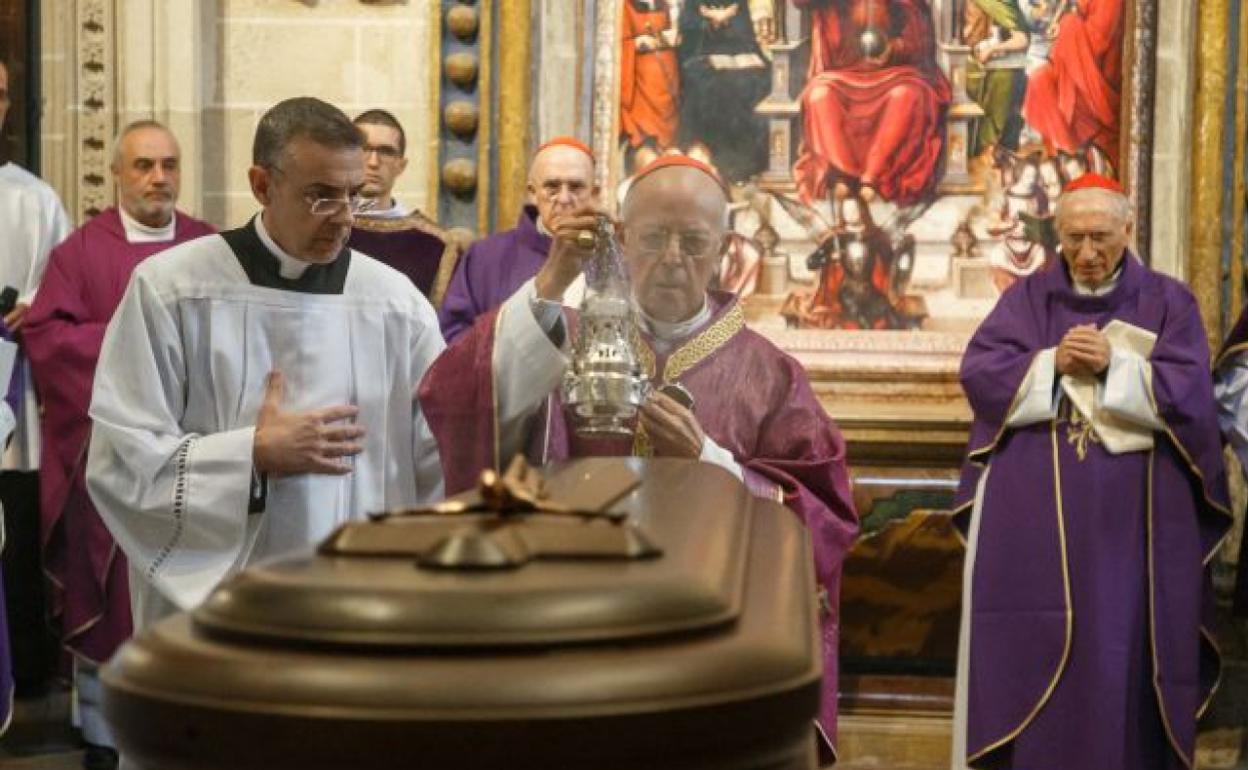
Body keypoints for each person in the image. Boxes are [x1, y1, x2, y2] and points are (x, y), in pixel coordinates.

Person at [419, 156, 858, 762]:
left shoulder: (770, 374)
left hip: (714, 649)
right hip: (575, 633)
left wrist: (710, 458)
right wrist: (549, 283)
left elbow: (827, 515)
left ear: (726, 249)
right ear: (621, 238)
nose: (673, 257)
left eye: (694, 241)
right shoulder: (565, 333)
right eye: (653, 238)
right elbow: (457, 396)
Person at [86, 97, 445, 635]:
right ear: (261, 185)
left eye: (354, 196)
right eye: (320, 196)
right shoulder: (174, 289)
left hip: (362, 605)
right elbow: (120, 462)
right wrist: (248, 454)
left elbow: (440, 453)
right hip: (222, 616)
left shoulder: (396, 304)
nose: (345, 218)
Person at [951, 174, 1230, 770]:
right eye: (1073, 238)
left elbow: (1194, 396)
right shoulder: (1027, 301)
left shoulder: (1168, 301)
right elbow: (980, 374)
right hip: (1035, 541)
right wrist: (1051, 363)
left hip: (1137, 535)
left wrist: (1117, 368)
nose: (1086, 252)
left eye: (1100, 237)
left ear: (1127, 230)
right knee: (1036, 661)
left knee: (1124, 658)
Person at [21, 119, 215, 769]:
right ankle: (103, 733)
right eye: (143, 166)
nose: (158, 178)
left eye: (168, 165)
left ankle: (191, 716)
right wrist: (136, 346)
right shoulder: (79, 253)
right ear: (116, 175)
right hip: (107, 461)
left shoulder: (210, 246)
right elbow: (48, 338)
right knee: (108, 601)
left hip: (194, 461)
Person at [0, 54, 70, 708]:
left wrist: (36, 310)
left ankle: (25, 677)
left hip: (12, 406)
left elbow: (64, 295)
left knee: (16, 549)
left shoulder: (35, 198)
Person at [438, 136, 599, 342]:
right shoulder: (484, 258)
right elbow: (453, 340)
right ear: (532, 192)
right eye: (552, 187)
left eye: (576, 187)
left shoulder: (618, 260)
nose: (564, 199)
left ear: (594, 193)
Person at [793, 0, 952, 206]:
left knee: (906, 96)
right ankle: (843, 176)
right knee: (819, 96)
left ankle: (872, 178)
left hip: (898, 72)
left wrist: (894, 49)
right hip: (844, 71)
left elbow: (921, 41)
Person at [346, 109, 460, 305]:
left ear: (401, 165)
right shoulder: (319, 227)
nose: (373, 162)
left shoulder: (435, 245)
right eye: (363, 149)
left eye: (386, 151)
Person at [676, 0, 772, 183]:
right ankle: (721, 163)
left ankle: (748, 163)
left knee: (756, 81)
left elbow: (747, 33)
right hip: (703, 55)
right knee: (715, 86)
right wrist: (711, 20)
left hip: (739, 54)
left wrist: (728, 20)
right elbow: (687, 28)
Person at [1022, 0, 1124, 171]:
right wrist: (1060, 20)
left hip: (1094, 76)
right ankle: (1064, 153)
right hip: (1072, 67)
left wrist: (1067, 24)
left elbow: (1099, 41)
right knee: (1039, 80)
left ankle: (1076, 160)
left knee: (1069, 25)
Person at [620, 0, 681, 154]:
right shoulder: (626, 5)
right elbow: (621, 43)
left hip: (668, 70)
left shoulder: (665, 4)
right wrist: (639, 42)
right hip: (642, 75)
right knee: (645, 138)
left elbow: (675, 36)